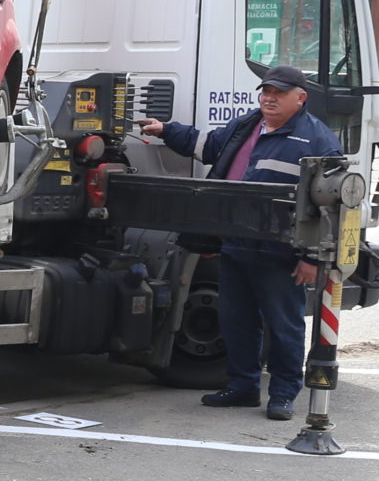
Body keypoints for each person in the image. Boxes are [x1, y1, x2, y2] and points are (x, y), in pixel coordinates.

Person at [139, 64, 340, 421]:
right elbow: (208, 146)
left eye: (279, 93)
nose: (269, 98)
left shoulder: (317, 140)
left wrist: (310, 257)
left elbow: (329, 205)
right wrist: (166, 130)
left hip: (280, 253)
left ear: (301, 97)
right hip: (236, 245)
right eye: (266, 91)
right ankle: (243, 387)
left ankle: (282, 394)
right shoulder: (247, 125)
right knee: (237, 322)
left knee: (284, 327)